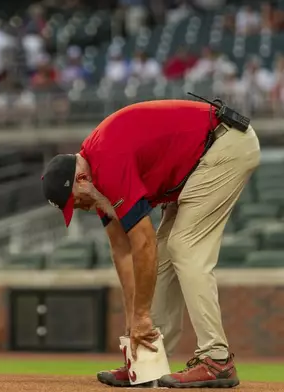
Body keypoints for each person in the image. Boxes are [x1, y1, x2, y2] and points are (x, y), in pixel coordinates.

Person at [42, 99, 260, 388]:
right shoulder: (94, 184)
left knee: (183, 245)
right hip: (196, 162)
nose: (80, 208)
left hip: (224, 144)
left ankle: (216, 359)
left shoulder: (107, 162)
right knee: (166, 255)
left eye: (76, 202)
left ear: (81, 179)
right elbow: (122, 251)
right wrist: (135, 317)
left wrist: (143, 314)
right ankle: (148, 362)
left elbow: (143, 243)